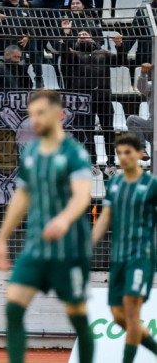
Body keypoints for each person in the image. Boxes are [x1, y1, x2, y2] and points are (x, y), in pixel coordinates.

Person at [0, 89, 96, 363]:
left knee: (78, 318)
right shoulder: (31, 153)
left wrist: (64, 218)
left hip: (69, 250)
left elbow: (82, 196)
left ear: (60, 114)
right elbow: (21, 198)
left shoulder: (75, 152)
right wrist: (2, 238)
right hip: (36, 247)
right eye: (32, 115)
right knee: (13, 307)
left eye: (41, 113)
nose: (35, 120)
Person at [91, 133, 157, 363]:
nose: (123, 157)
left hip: (141, 255)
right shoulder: (115, 184)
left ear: (139, 154)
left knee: (131, 311)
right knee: (119, 316)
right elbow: (105, 218)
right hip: (118, 256)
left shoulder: (151, 185)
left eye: (128, 152)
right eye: (119, 153)